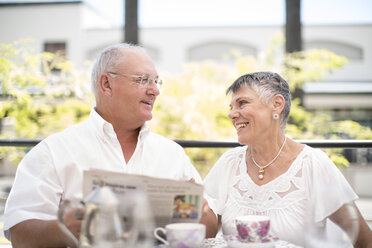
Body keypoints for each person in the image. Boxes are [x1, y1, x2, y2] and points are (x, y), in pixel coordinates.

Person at [4, 43, 202, 248]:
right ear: (106, 84)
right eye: (143, 80)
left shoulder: (172, 154)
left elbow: (209, 226)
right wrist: (62, 229)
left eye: (156, 82)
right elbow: (19, 235)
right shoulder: (53, 152)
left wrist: (201, 212)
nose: (154, 91)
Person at [200, 72, 372, 247]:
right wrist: (195, 206)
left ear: (277, 104)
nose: (232, 114)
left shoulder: (313, 164)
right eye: (231, 107)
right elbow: (206, 234)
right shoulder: (230, 162)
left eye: (242, 103)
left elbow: (365, 241)